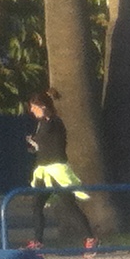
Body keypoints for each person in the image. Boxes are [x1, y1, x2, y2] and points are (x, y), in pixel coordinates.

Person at [24, 93, 90, 243]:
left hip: (57, 170)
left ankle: (90, 237)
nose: (32, 111)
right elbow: (45, 143)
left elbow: (52, 135)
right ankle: (38, 241)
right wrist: (33, 145)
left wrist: (45, 116)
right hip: (43, 170)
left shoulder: (54, 121)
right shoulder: (41, 123)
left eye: (34, 107)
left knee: (69, 205)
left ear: (43, 107)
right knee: (37, 205)